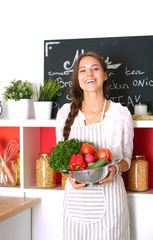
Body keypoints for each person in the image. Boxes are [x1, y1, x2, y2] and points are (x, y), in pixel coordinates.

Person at [56, 52, 134, 240]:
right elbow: (61, 159)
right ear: (77, 78)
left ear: (105, 75)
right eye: (83, 70)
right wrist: (69, 176)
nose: (89, 74)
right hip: (77, 201)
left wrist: (114, 169)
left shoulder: (121, 114)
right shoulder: (65, 113)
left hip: (111, 199)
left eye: (95, 69)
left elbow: (126, 160)